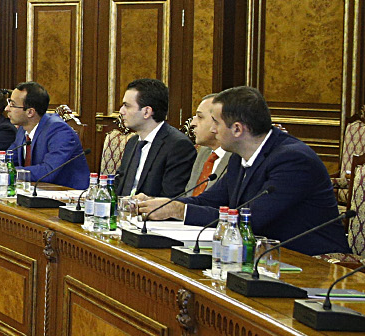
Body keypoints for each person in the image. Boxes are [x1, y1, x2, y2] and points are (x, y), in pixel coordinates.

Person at [131, 86, 346, 255]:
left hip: (312, 263)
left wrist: (179, 211)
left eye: (216, 122)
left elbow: (251, 220)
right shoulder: (239, 155)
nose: (213, 129)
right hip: (263, 255)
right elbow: (209, 200)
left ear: (237, 129)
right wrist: (162, 204)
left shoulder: (293, 160)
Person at [110, 79, 193, 200]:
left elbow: (170, 199)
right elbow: (119, 186)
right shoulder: (133, 142)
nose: (121, 111)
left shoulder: (178, 146)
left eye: (127, 106)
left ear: (147, 112)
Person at [5, 81, 90, 189]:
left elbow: (48, 171)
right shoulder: (23, 129)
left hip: (67, 194)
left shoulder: (59, 131)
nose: (7, 109)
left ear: (30, 112)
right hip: (36, 190)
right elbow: (9, 157)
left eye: (12, 105)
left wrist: (7, 173)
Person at [185, 93, 227, 197]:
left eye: (200, 117)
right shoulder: (203, 151)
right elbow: (188, 196)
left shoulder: (238, 157)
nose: (192, 123)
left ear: (219, 121)